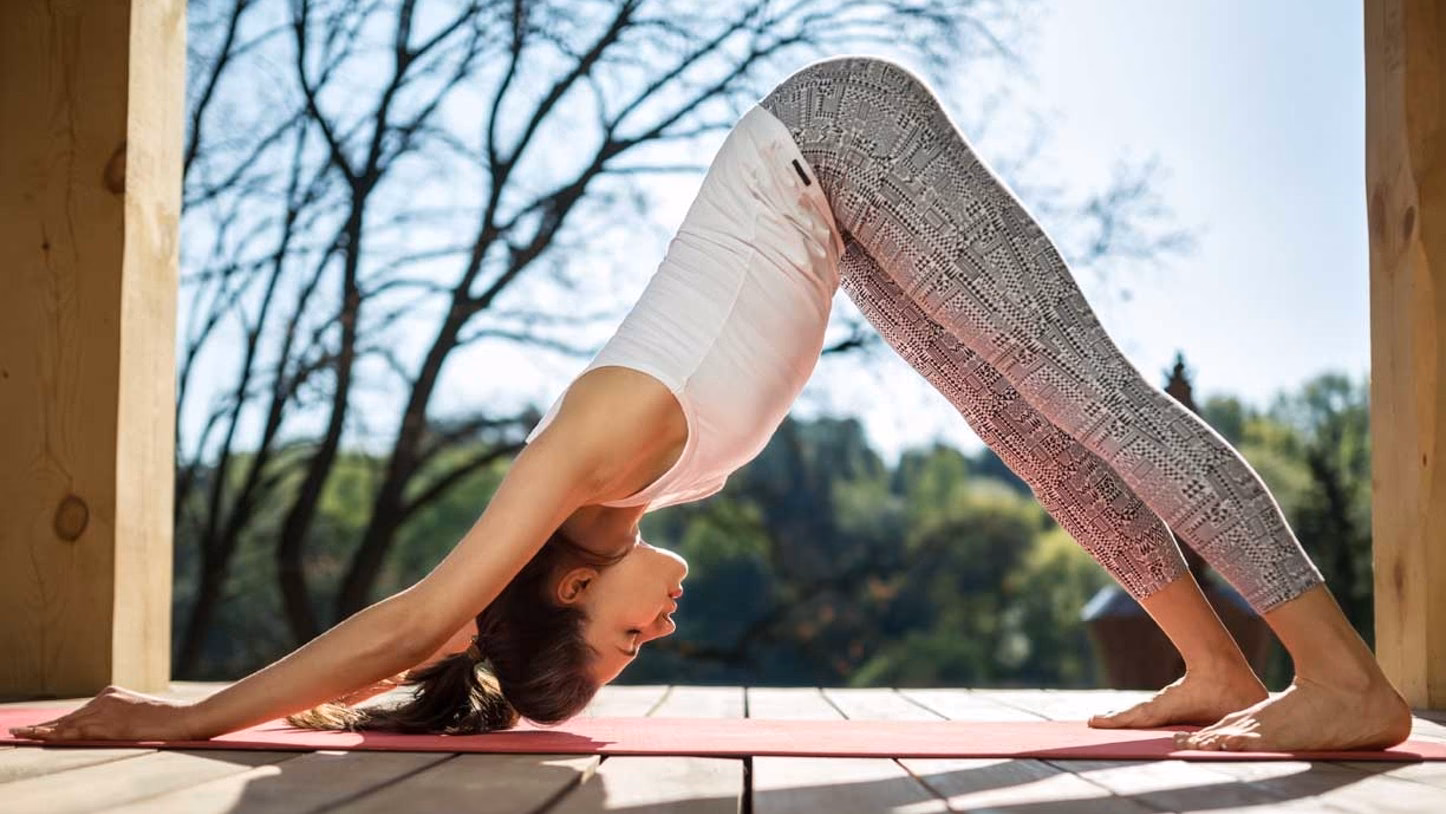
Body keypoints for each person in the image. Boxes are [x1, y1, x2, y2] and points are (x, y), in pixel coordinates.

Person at [9, 55, 1411, 753]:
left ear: (563, 582)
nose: (650, 639)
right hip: (839, 211)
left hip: (837, 135)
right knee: (1037, 434)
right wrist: (363, 705)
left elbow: (425, 613)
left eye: (614, 647)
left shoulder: (593, 446)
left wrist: (182, 721)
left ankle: (1336, 674)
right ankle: (1217, 669)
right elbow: (431, 649)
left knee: (1093, 392)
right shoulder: (619, 501)